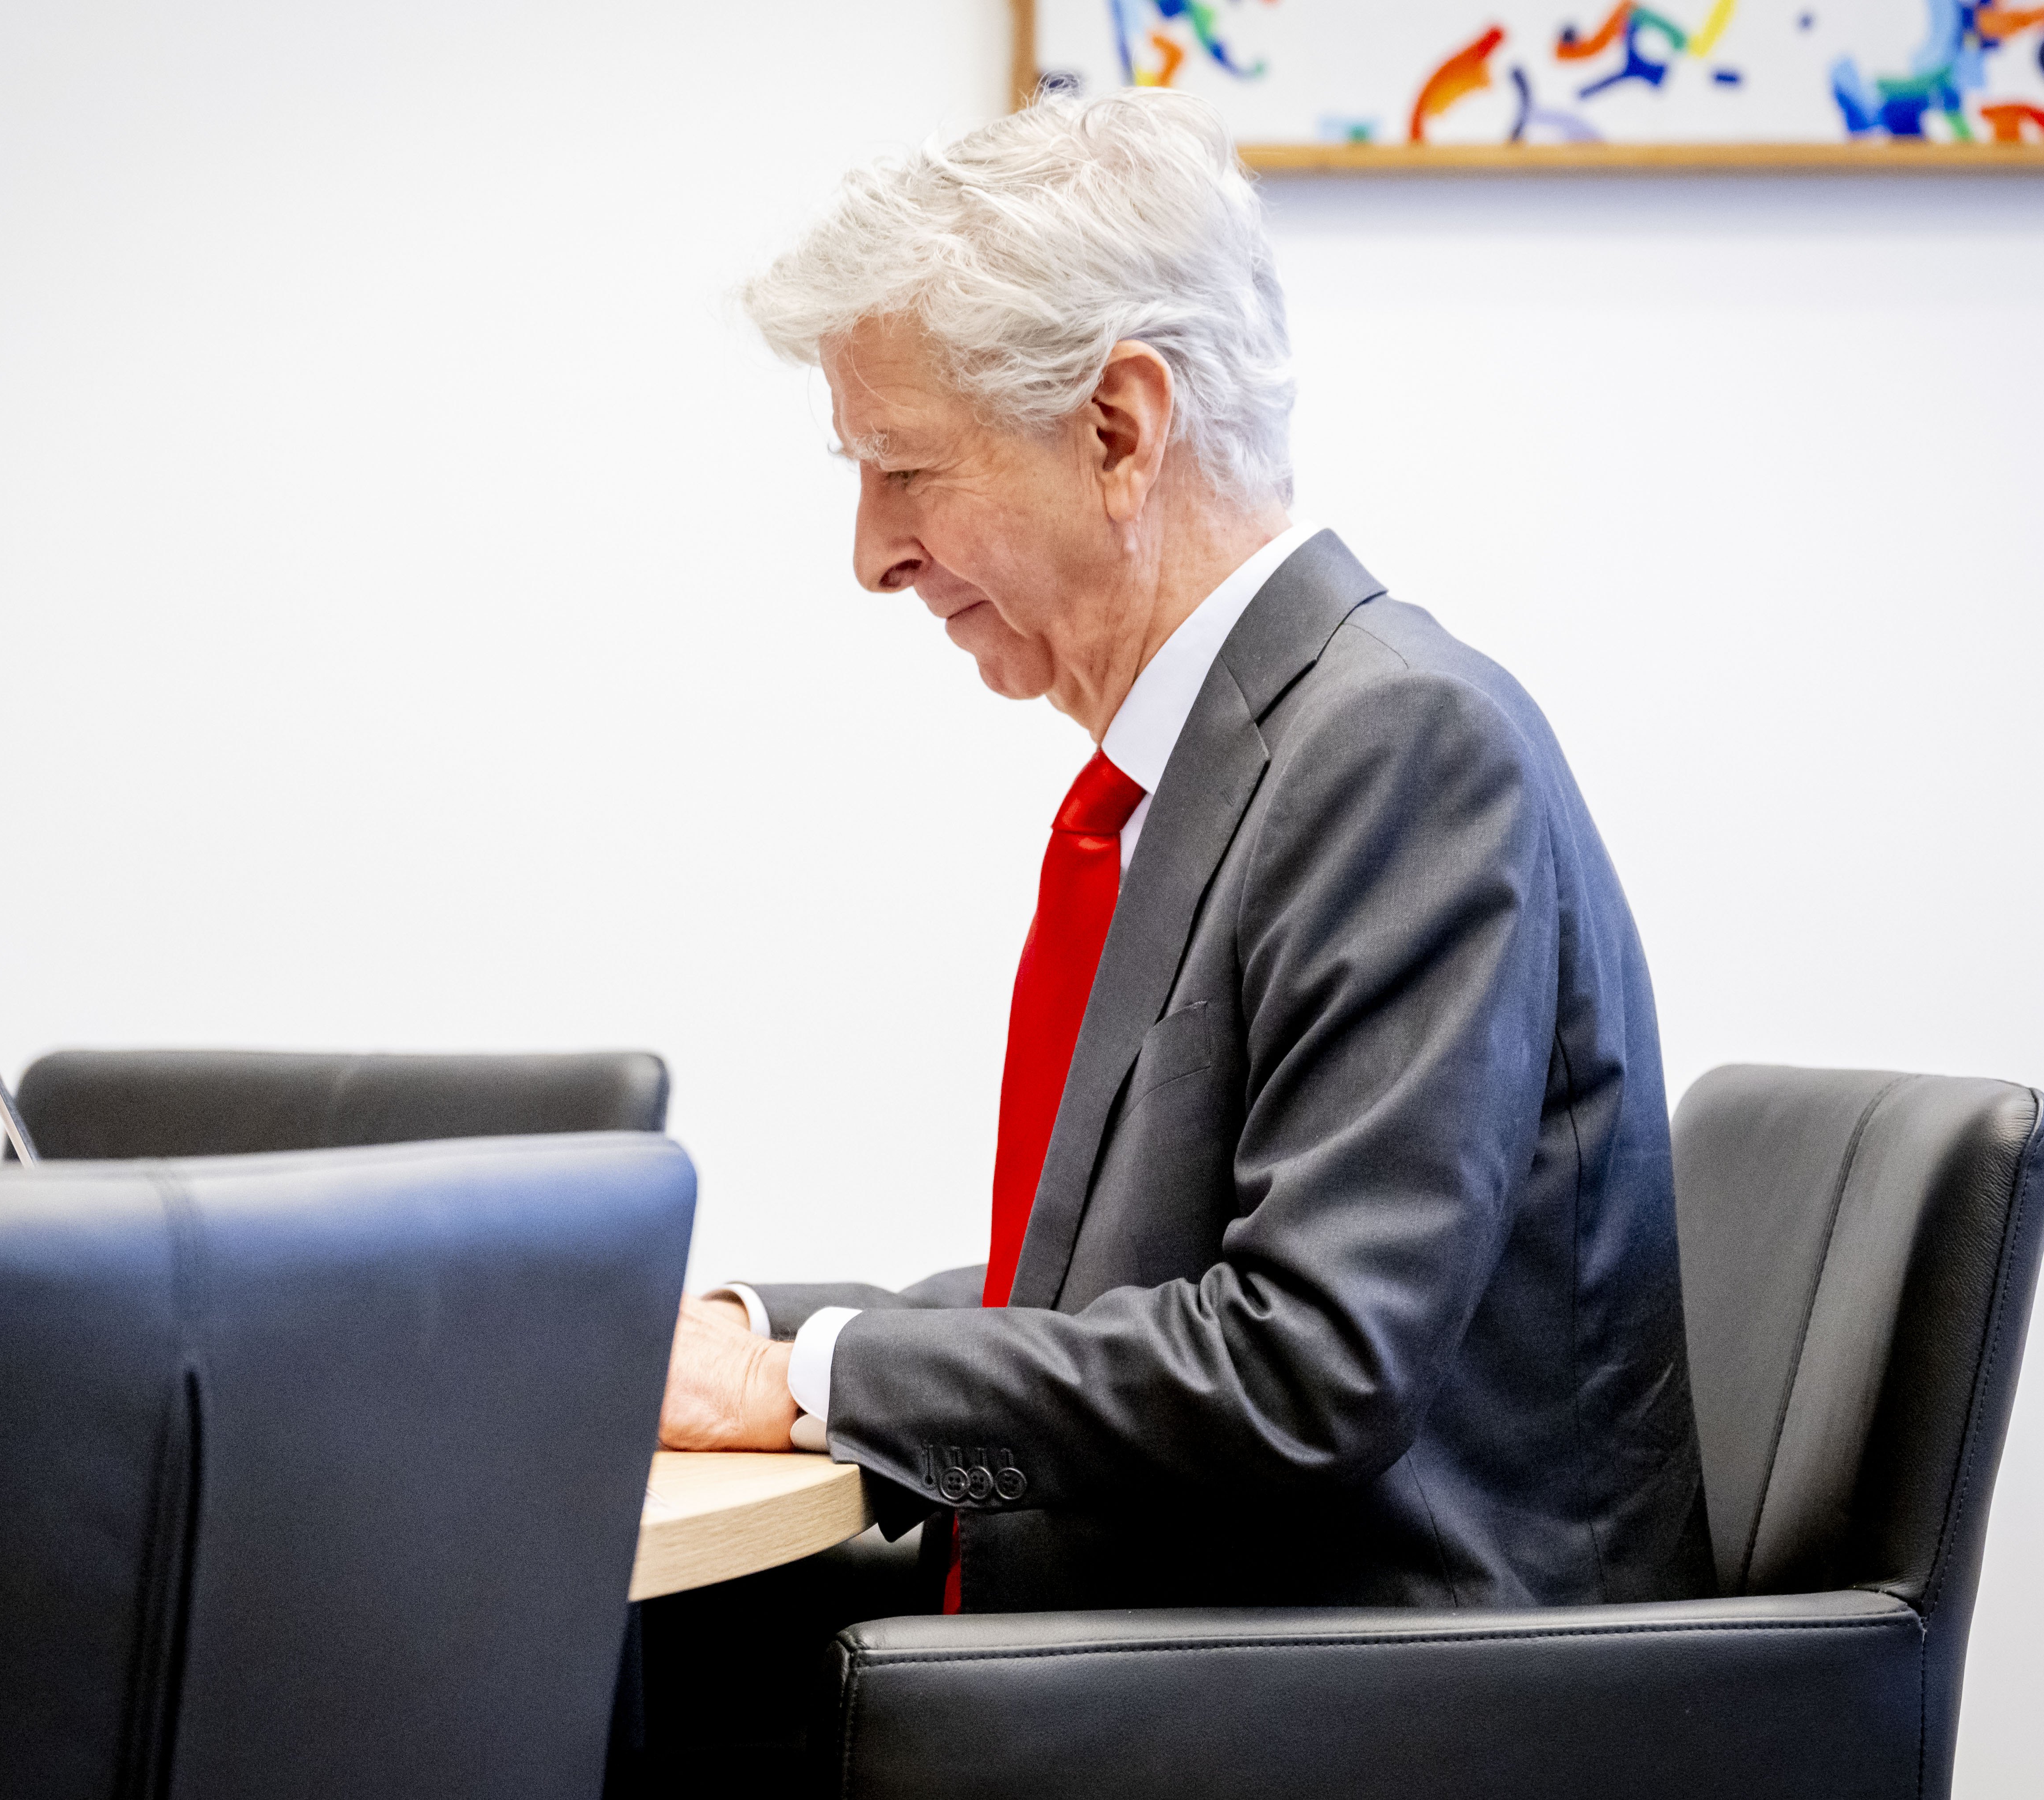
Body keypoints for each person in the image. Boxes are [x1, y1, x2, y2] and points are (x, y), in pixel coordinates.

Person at [624, 86, 1710, 1786]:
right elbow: (1121, 1295)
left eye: (902, 470)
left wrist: (816, 1377)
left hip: (1376, 1706)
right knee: (599, 1665)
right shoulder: (1244, 759)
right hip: (1210, 1639)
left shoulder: (1402, 746)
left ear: (1120, 428)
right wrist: (768, 1333)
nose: (871, 556)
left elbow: (1302, 1369)